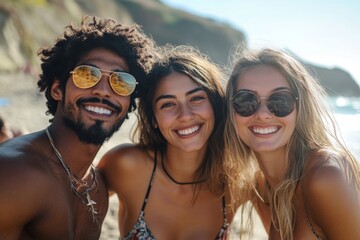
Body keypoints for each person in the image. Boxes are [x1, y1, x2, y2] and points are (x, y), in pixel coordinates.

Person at [0, 15, 156, 240]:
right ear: (57, 90)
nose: (103, 90)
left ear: (129, 102)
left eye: (120, 81)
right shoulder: (15, 173)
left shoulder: (98, 186)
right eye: (87, 75)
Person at [223, 48, 360, 239]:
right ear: (231, 110)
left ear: (300, 107)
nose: (262, 114)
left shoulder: (325, 178)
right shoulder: (261, 188)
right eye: (246, 101)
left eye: (280, 101)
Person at [99, 45, 232, 239]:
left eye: (196, 98)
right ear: (154, 119)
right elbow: (75, 205)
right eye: (168, 104)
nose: (185, 116)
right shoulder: (126, 165)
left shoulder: (236, 184)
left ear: (215, 105)